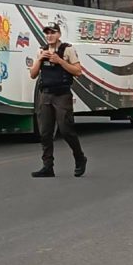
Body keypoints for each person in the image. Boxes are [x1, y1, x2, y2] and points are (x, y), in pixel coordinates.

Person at [30, 22, 87, 178]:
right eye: (47, 33)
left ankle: (80, 158)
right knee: (45, 132)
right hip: (45, 95)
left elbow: (78, 71)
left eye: (53, 32)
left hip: (62, 95)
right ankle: (47, 166)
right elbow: (33, 74)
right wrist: (40, 59)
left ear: (59, 34)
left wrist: (60, 61)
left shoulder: (67, 49)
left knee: (66, 129)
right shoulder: (41, 50)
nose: (49, 36)